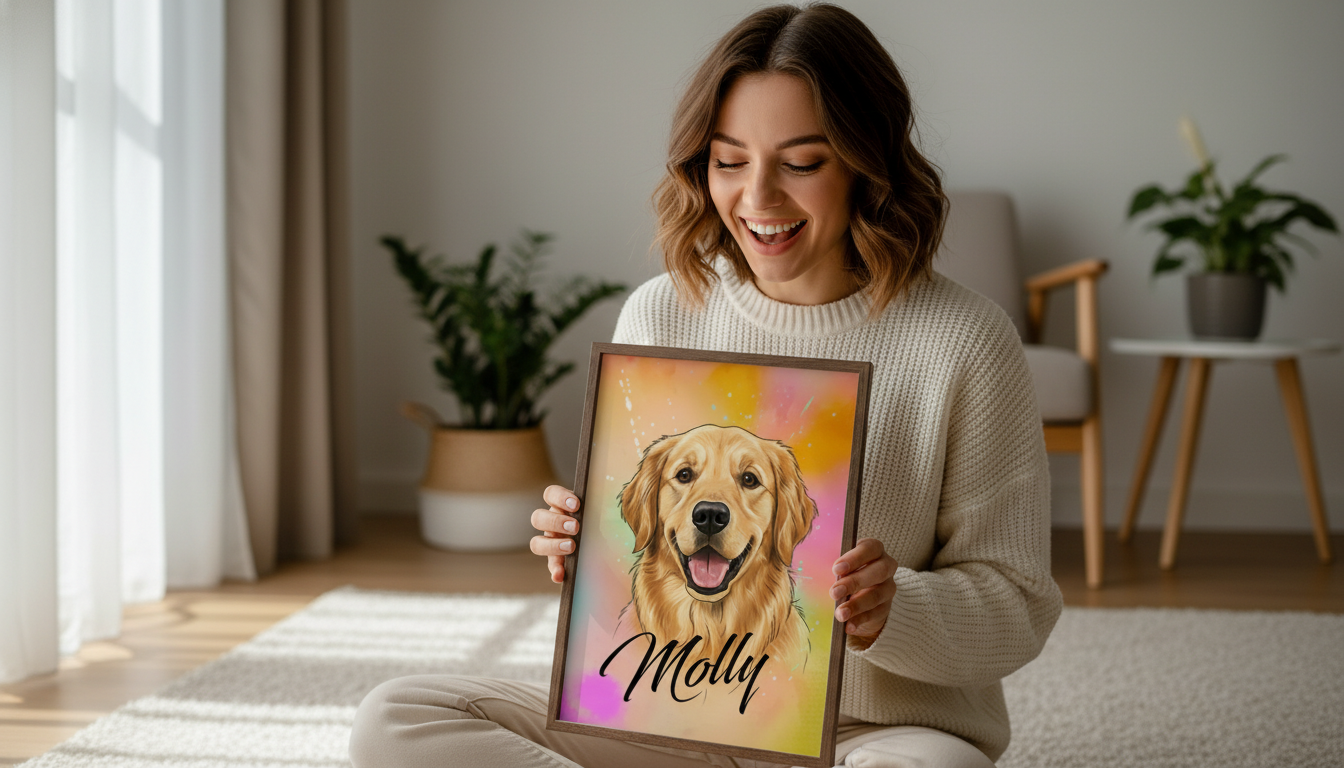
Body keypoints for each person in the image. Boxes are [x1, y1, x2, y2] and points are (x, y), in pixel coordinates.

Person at [349, 5, 1061, 767]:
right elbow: (637, 568)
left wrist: (896, 608)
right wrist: (586, 544)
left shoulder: (964, 341)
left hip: (870, 738)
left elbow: (1016, 604)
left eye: (802, 162)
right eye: (729, 161)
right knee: (397, 719)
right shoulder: (659, 312)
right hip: (668, 722)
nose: (759, 197)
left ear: (866, 160)